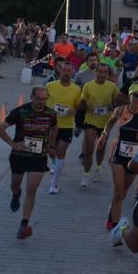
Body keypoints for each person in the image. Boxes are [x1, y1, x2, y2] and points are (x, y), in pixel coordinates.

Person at [0, 86, 57, 239]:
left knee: (31, 190)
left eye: (44, 99)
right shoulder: (20, 111)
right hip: (19, 156)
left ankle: (24, 224)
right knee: (15, 184)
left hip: (38, 157)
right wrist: (13, 144)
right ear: (32, 97)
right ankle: (16, 194)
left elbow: (55, 127)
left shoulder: (51, 113)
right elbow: (0, 129)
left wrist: (50, 145)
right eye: (39, 98)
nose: (42, 102)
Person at [99, 83, 138, 230]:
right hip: (117, 156)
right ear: (129, 96)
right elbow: (110, 123)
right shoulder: (120, 111)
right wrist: (104, 135)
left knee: (123, 192)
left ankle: (111, 215)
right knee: (118, 192)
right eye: (135, 95)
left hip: (135, 160)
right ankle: (115, 228)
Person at [44, 60, 82, 195]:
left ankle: (54, 183)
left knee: (61, 151)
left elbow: (78, 106)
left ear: (72, 72)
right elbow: (42, 101)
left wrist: (73, 111)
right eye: (64, 70)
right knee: (51, 150)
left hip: (66, 126)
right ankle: (55, 164)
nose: (66, 73)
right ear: (59, 71)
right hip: (50, 126)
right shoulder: (50, 86)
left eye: (69, 70)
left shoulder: (76, 89)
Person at [78, 63, 119, 189]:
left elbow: (116, 103)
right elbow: (82, 104)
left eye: (105, 72)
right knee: (89, 147)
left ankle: (98, 169)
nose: (102, 74)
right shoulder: (88, 86)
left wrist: (112, 107)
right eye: (100, 71)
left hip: (105, 123)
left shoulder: (112, 87)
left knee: (101, 148)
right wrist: (87, 107)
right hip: (90, 121)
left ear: (108, 74)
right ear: (95, 72)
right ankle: (85, 175)